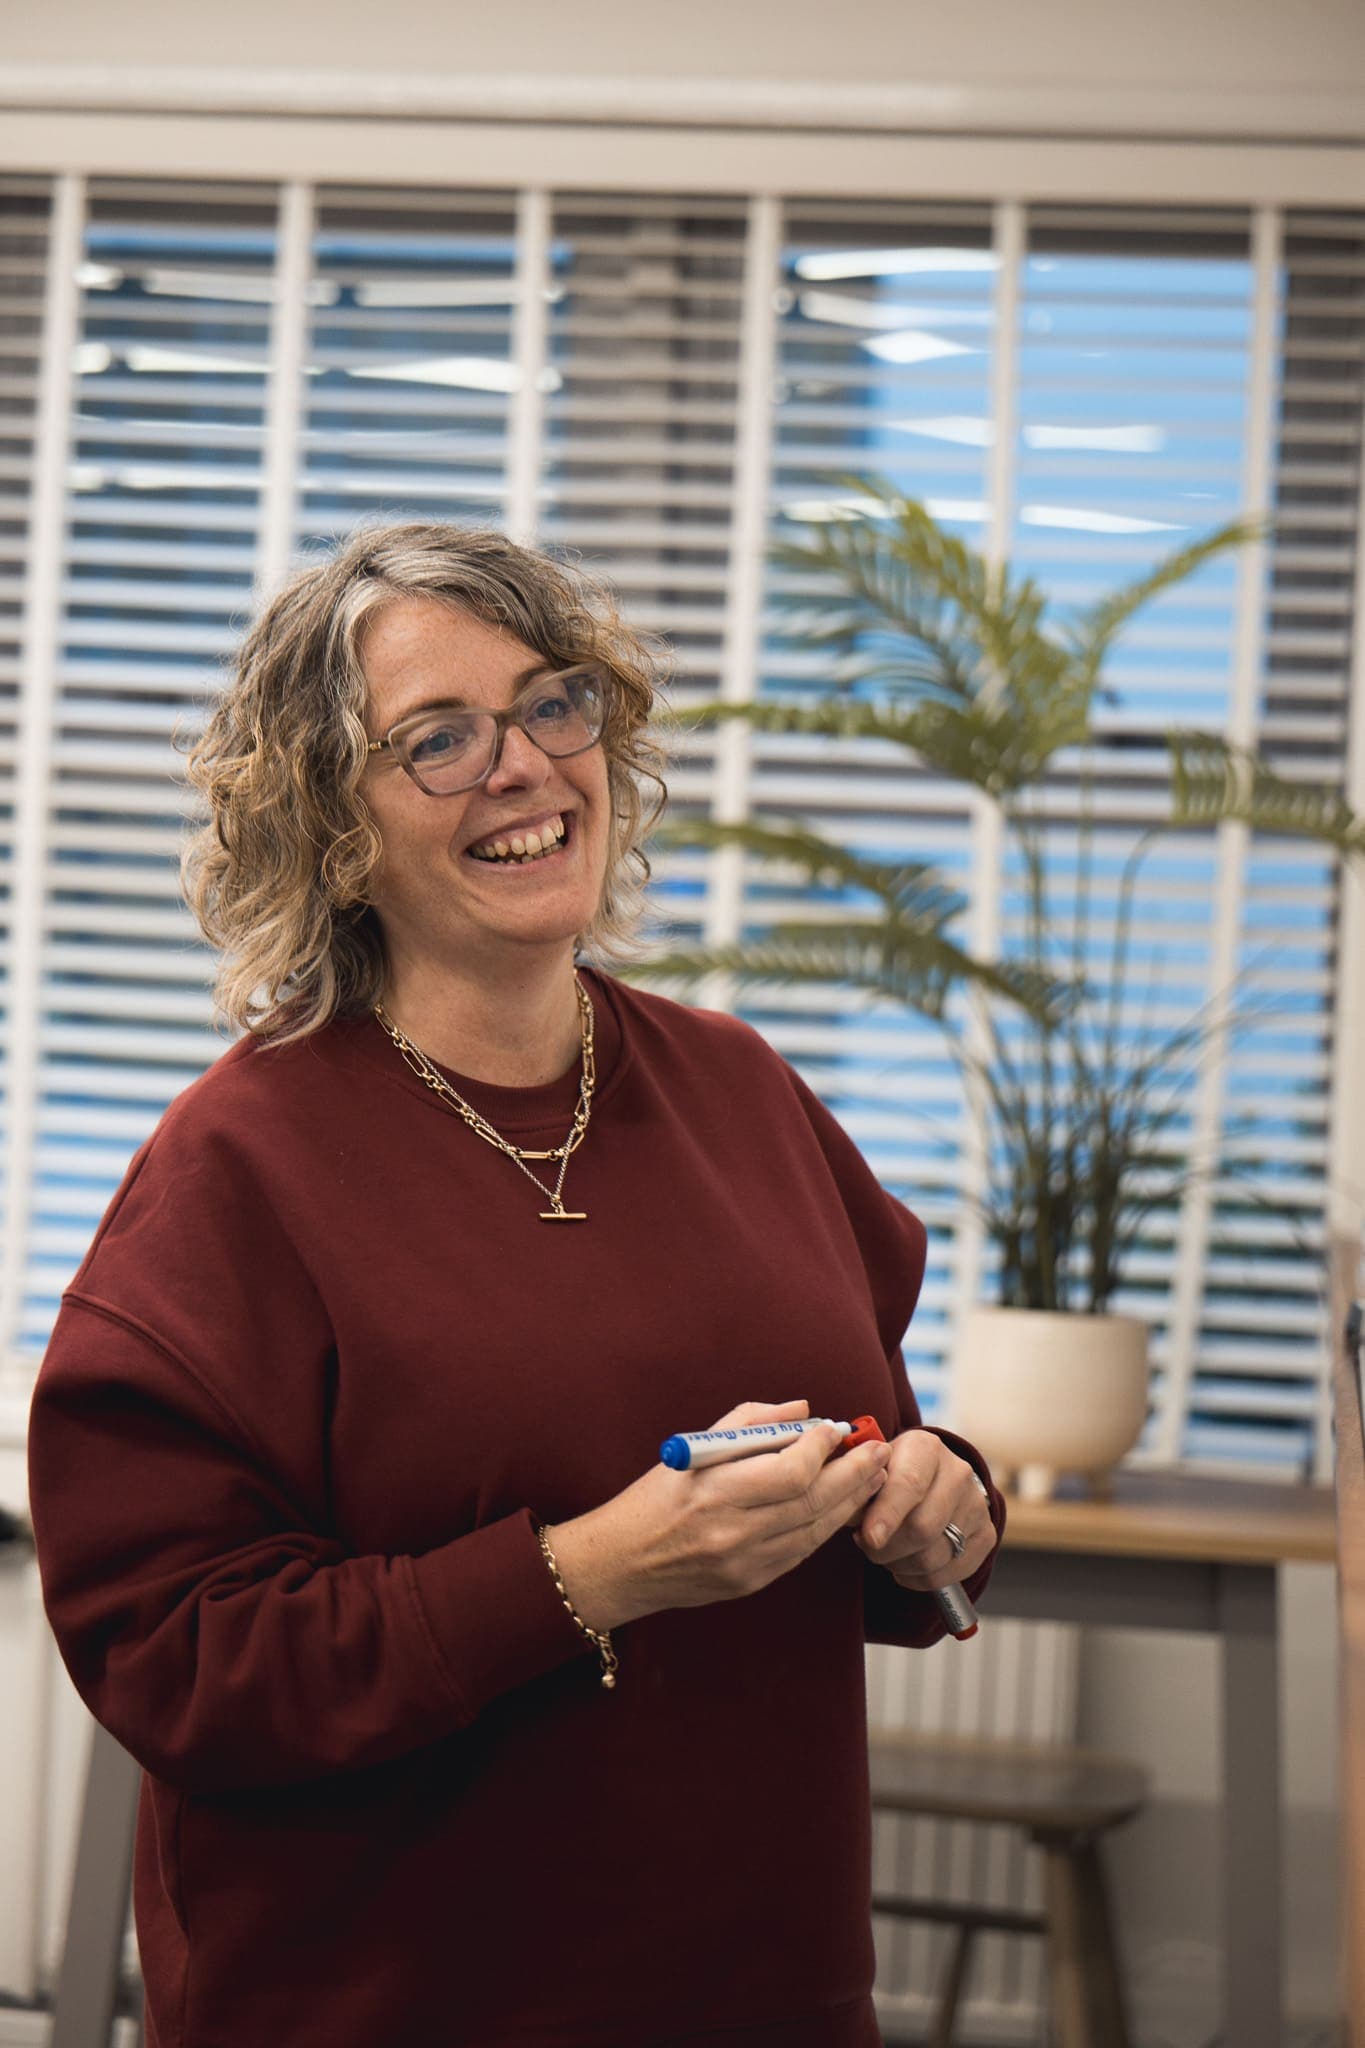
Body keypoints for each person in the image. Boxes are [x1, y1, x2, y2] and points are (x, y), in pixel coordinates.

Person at [26, 523, 1006, 2048]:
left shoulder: (741, 1090)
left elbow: (872, 1452)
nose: (525, 767)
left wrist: (933, 1506)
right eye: (436, 740)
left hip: (762, 1988)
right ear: (330, 829)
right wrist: (591, 1572)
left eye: (554, 704)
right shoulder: (240, 1167)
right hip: (390, 2001)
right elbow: (178, 1659)